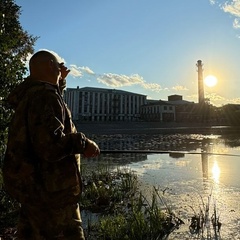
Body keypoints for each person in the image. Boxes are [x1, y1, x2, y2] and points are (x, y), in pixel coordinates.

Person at [3, 50, 100, 239]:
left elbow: (46, 119)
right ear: (49, 65)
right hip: (52, 197)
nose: (60, 68)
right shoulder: (44, 97)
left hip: (34, 191)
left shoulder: (32, 94)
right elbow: (50, 146)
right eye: (58, 65)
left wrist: (60, 80)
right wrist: (84, 143)